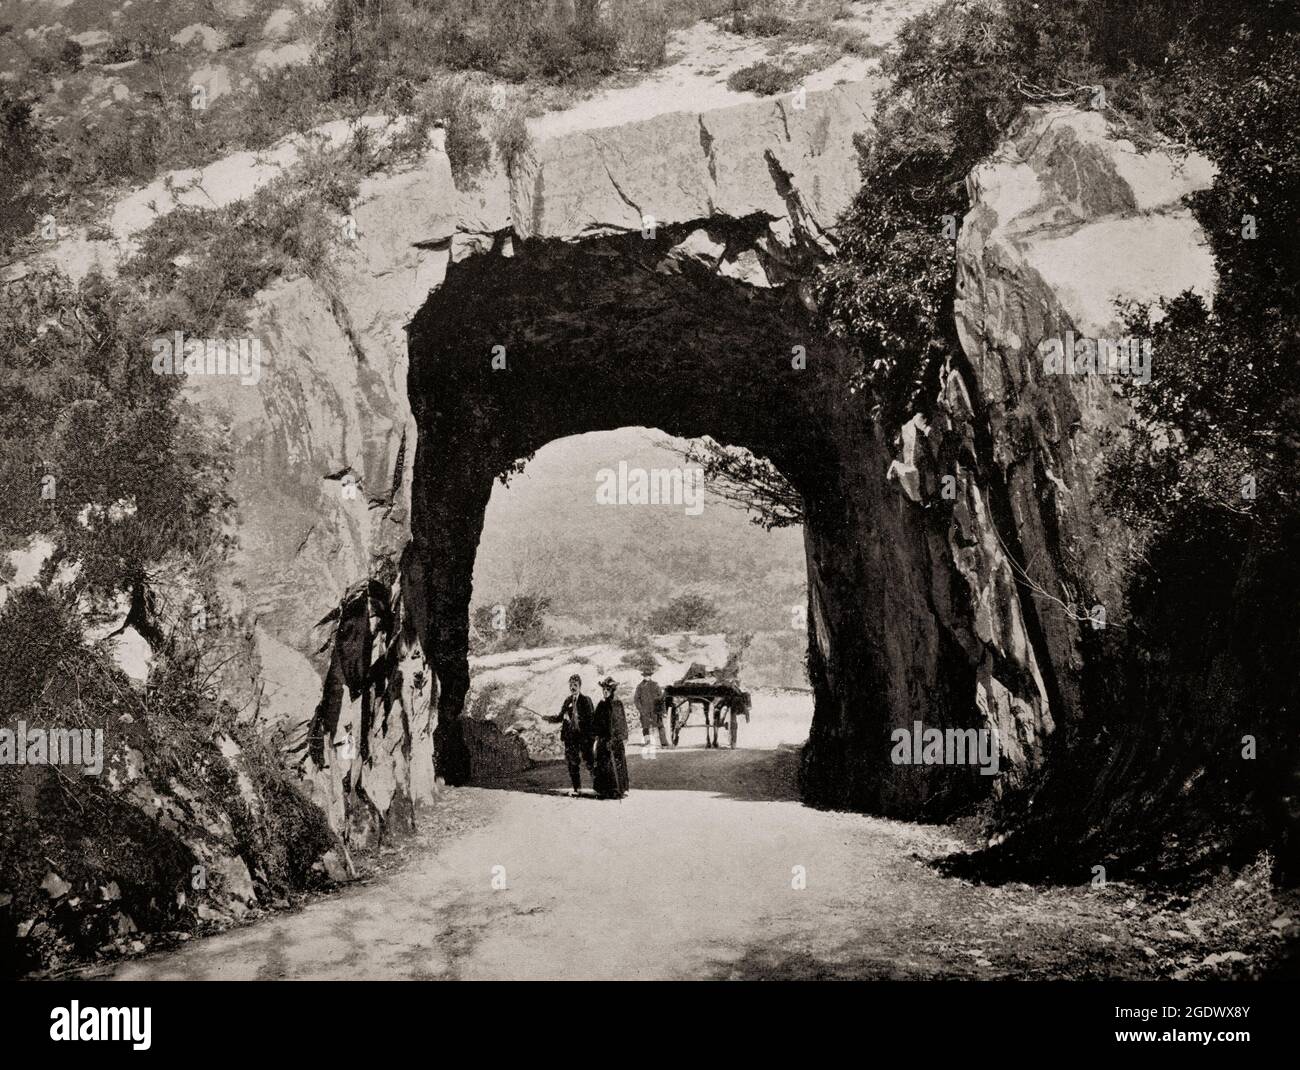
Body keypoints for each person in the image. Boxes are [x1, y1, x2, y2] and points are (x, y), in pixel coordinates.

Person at [544, 674, 594, 797]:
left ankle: (599, 786)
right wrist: (548, 718)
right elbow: (560, 717)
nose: (572, 688)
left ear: (580, 686)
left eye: (575, 685)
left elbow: (591, 719)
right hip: (570, 738)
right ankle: (577, 789)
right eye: (571, 685)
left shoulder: (586, 700)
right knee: (572, 763)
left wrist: (590, 736)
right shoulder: (567, 701)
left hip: (583, 737)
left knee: (590, 762)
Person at [592, 676, 629, 799]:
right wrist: (596, 737)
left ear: (612, 690)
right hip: (604, 740)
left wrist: (623, 737)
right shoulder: (601, 705)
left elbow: (622, 721)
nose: (605, 691)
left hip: (616, 740)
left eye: (607, 689)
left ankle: (619, 790)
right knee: (604, 764)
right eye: (604, 689)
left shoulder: (617, 704)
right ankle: (604, 790)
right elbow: (595, 723)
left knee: (617, 764)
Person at [633, 666, 669, 748]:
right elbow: (636, 699)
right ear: (643, 676)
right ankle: (647, 742)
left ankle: (664, 743)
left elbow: (661, 699)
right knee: (645, 727)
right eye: (645, 675)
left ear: (650, 676)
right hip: (645, 710)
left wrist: (663, 712)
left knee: (660, 725)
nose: (647, 677)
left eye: (648, 675)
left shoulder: (655, 685)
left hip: (655, 710)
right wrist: (641, 710)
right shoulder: (640, 686)